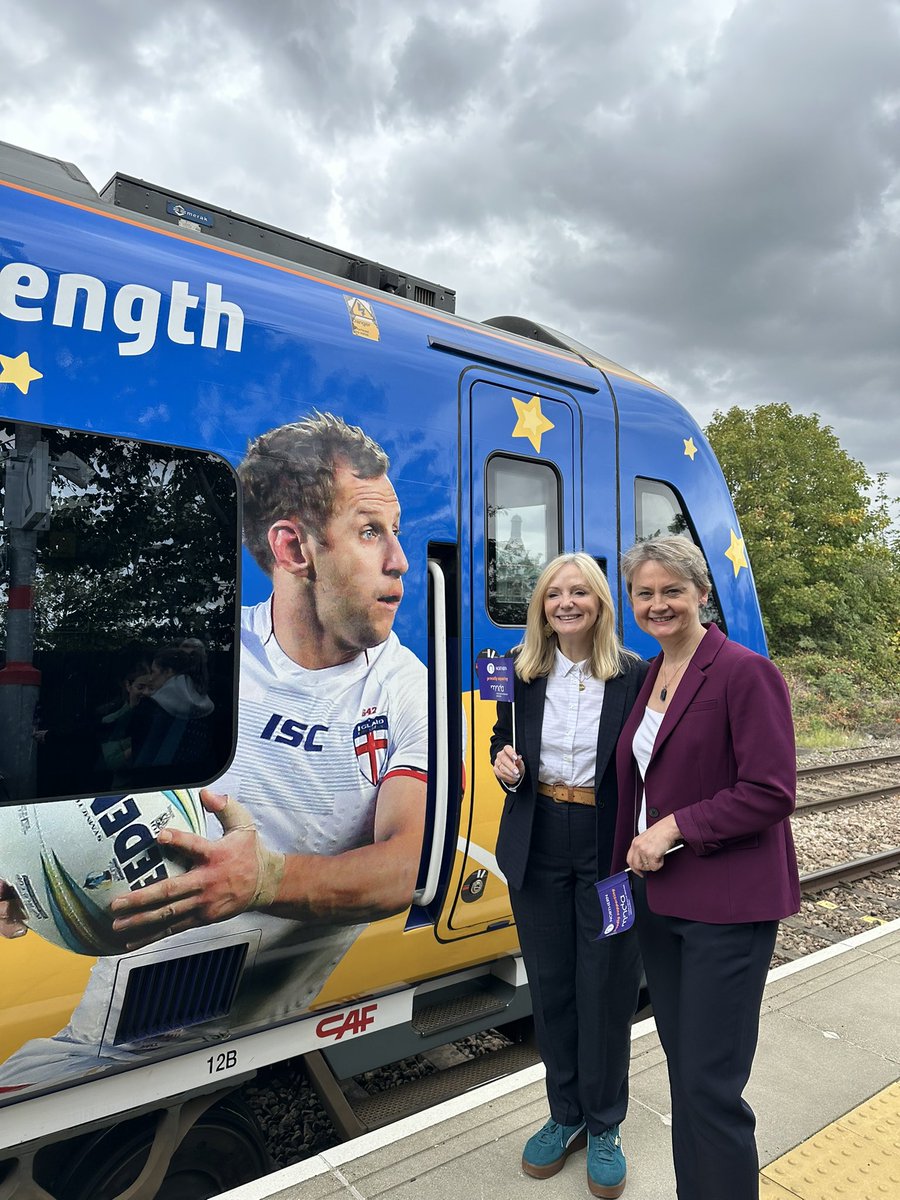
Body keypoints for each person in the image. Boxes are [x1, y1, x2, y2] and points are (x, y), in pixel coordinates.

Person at [0, 410, 428, 1088]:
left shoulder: (402, 686)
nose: (401, 560)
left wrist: (264, 880)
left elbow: (406, 868)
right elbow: (99, 792)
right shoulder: (206, 654)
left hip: (237, 1020)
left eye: (394, 532)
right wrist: (21, 864)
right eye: (372, 531)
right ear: (293, 549)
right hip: (100, 1032)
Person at [611, 535, 800, 1200]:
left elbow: (772, 791)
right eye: (645, 593)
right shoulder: (653, 671)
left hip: (726, 908)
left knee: (710, 1088)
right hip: (662, 904)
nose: (658, 604)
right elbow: (641, 778)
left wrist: (675, 826)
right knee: (687, 1075)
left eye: (672, 591)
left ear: (702, 594)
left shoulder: (745, 672)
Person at [490, 552, 648, 1199]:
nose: (567, 602)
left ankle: (605, 1123)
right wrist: (505, 766)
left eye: (579, 592)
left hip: (609, 850)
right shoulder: (519, 674)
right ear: (542, 606)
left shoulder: (635, 676)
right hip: (539, 840)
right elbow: (504, 744)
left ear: (600, 603)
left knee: (607, 986)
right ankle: (565, 1116)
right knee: (552, 987)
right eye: (555, 593)